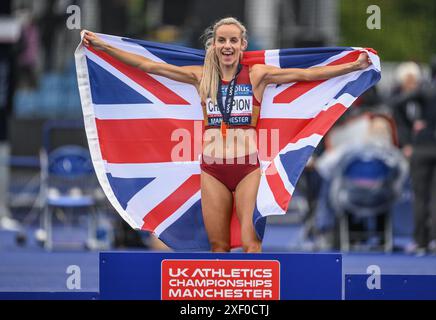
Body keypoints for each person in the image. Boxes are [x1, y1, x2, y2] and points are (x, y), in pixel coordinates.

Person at [81, 17, 371, 253]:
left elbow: (306, 75)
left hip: (247, 169)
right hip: (212, 170)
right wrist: (104, 48)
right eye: (222, 40)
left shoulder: (257, 75)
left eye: (233, 40)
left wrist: (352, 66)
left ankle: (253, 299)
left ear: (243, 45)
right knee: (218, 245)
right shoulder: (200, 76)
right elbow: (149, 66)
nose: (227, 45)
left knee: (251, 243)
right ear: (214, 45)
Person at [391, 55, 436, 255]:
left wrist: (410, 128)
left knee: (420, 197)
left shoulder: (424, 89)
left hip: (422, 148)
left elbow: (396, 102)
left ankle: (420, 241)